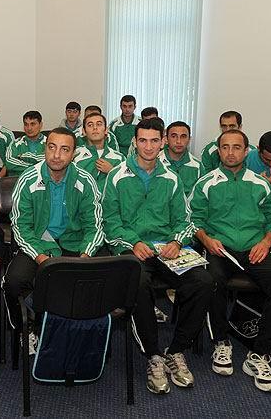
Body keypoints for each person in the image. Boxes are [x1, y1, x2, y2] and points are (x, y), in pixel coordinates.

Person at [102, 117, 212, 395]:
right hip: (132, 248)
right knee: (137, 284)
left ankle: (176, 350)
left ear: (162, 142)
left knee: (203, 281)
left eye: (154, 141)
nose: (148, 147)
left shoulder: (171, 178)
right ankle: (153, 355)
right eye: (143, 140)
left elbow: (184, 220)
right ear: (134, 142)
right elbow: (110, 222)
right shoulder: (117, 176)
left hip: (167, 249)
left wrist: (177, 241)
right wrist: (133, 241)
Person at [190, 129, 271, 392]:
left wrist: (267, 241)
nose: (230, 152)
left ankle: (260, 354)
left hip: (256, 247)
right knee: (210, 280)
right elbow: (193, 220)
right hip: (220, 248)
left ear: (246, 151)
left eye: (236, 147)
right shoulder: (206, 183)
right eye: (225, 147)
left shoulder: (260, 183)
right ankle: (221, 342)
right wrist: (205, 239)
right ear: (219, 151)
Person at [3, 127, 104, 338]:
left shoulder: (85, 180)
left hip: (74, 244)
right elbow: (21, 227)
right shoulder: (28, 179)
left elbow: (94, 226)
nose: (56, 155)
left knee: (95, 280)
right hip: (38, 243)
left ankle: (76, 329)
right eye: (52, 147)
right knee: (13, 281)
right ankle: (25, 330)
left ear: (73, 154)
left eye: (64, 149)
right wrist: (40, 257)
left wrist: (85, 256)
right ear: (45, 148)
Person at [73, 112, 124, 189]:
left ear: (106, 130)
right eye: (90, 125)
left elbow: (126, 186)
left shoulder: (119, 158)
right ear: (84, 131)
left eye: (99, 124)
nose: (95, 128)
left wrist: (112, 171)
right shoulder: (75, 155)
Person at [158, 121, 203, 196]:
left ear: (189, 139)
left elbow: (200, 196)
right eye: (174, 136)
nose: (178, 141)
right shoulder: (155, 162)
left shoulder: (197, 166)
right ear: (166, 139)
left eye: (183, 136)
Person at [5, 110, 46, 176]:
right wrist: (35, 167)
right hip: (17, 179)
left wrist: (23, 156)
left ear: (40, 125)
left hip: (42, 180)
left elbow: (49, 162)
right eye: (26, 124)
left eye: (33, 124)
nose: (29, 128)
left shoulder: (49, 143)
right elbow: (9, 163)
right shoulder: (15, 144)